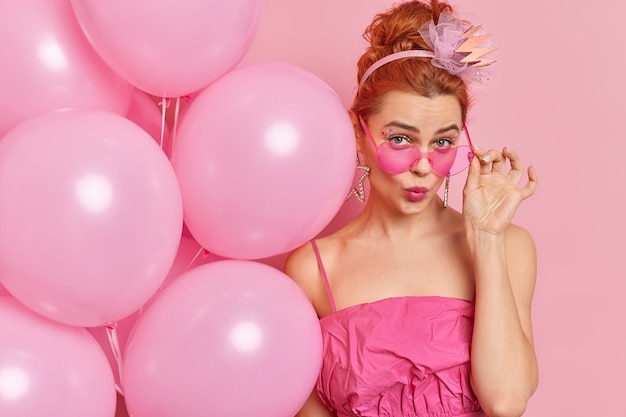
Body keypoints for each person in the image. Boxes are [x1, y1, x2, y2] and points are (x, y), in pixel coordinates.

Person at [284, 1, 539, 416]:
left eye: (442, 142)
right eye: (401, 139)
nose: (423, 166)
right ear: (358, 133)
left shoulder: (509, 246)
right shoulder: (313, 268)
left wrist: (487, 239)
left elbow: (506, 402)